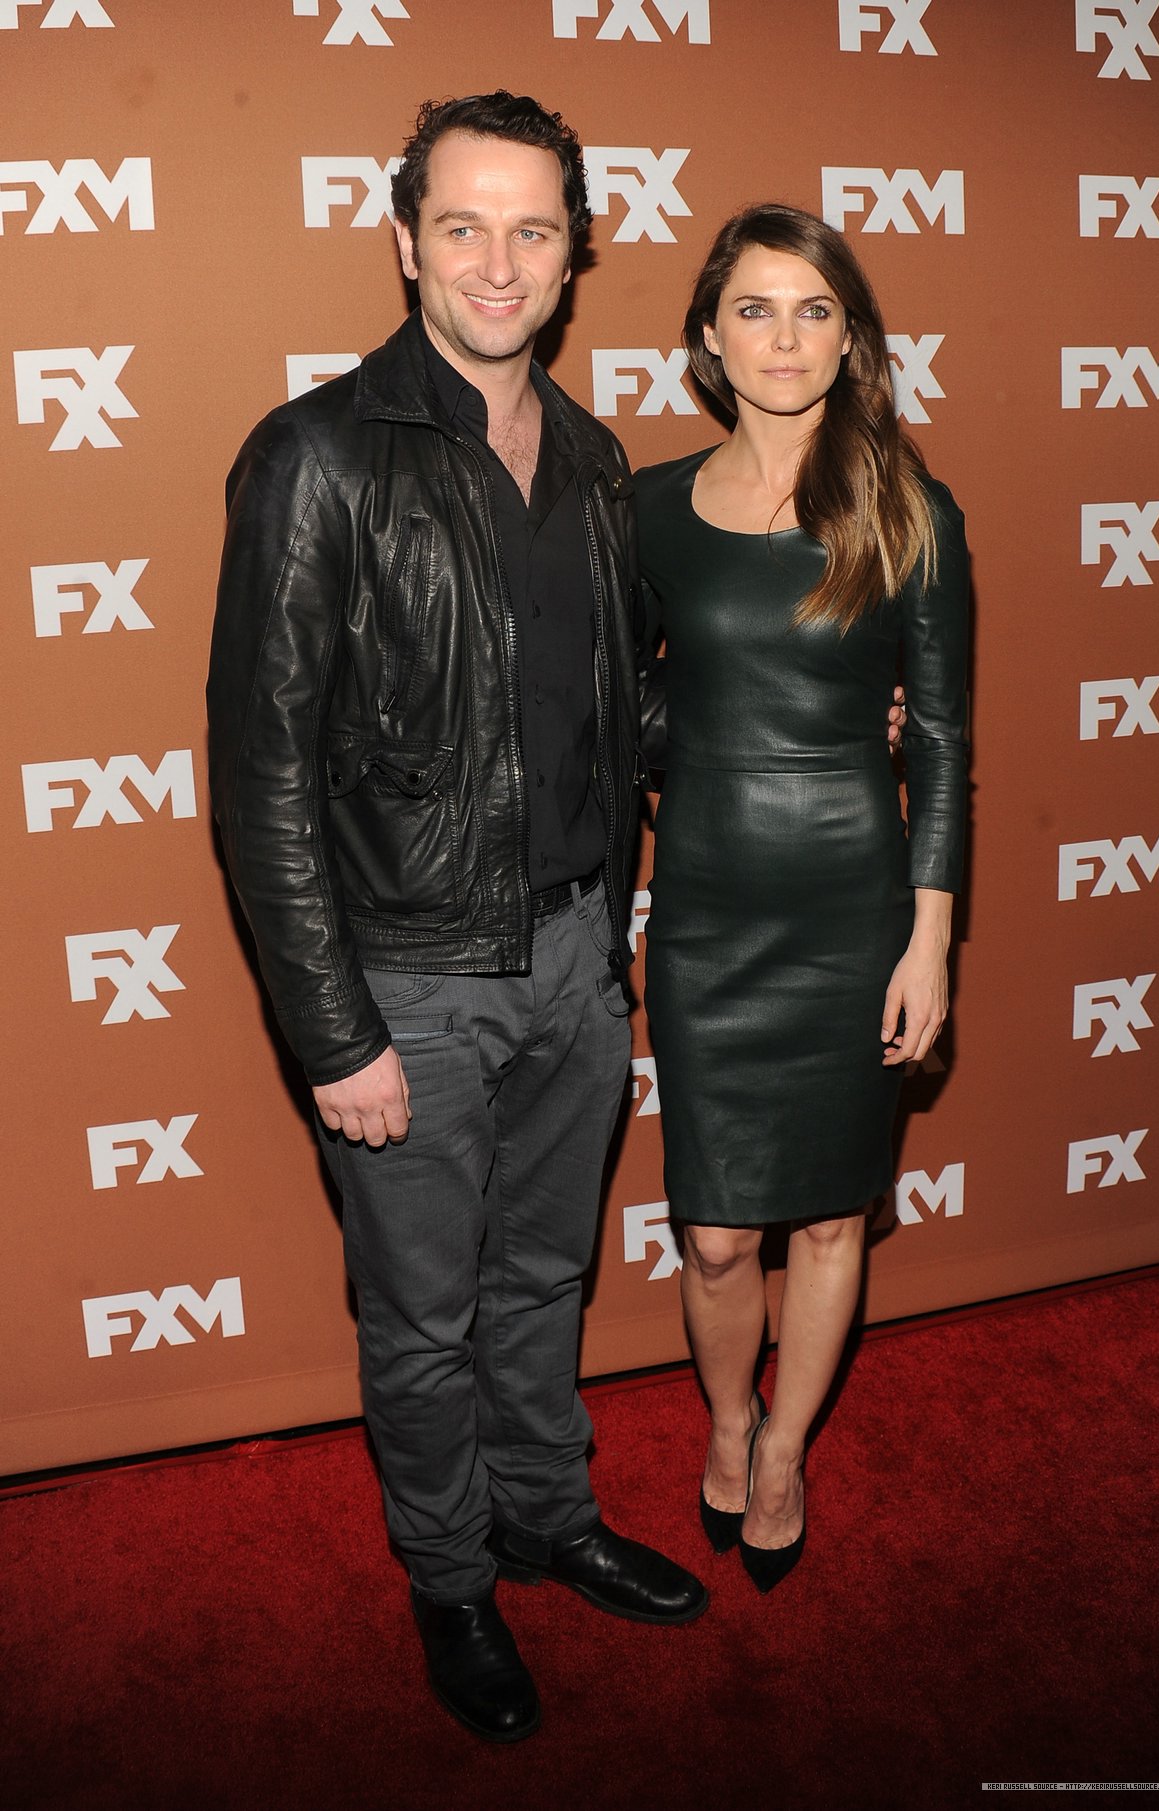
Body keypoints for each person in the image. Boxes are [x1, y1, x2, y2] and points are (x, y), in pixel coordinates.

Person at [206, 91, 711, 1746]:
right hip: (407, 979)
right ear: (405, 237)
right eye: (468, 224)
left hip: (577, 954)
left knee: (543, 1277)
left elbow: (598, 718)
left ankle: (544, 1520)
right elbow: (264, 775)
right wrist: (332, 1029)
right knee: (420, 1318)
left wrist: (772, 720)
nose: (502, 261)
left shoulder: (591, 459)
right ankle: (450, 1579)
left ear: (577, 256)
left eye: (538, 229)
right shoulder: (319, 453)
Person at [637, 205, 969, 1592]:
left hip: (853, 902)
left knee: (832, 1219)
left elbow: (945, 737)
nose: (784, 337)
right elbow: (612, 703)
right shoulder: (641, 506)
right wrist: (669, 736)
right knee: (715, 1235)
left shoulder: (909, 505)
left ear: (852, 334)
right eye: (756, 309)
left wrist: (932, 935)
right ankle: (724, 1416)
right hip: (708, 906)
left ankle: (781, 1456)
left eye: (814, 309)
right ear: (709, 337)